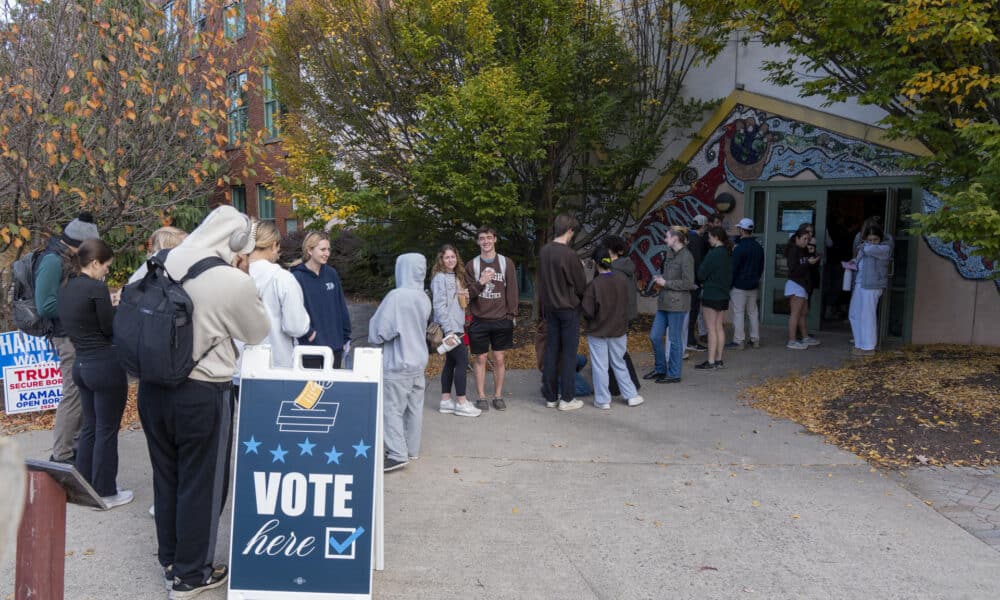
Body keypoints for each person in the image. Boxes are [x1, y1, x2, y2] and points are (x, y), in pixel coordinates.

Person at [135, 205, 268, 598]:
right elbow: (258, 332)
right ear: (240, 242)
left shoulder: (154, 265)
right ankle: (192, 575)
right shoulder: (229, 279)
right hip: (202, 391)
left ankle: (171, 560)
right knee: (202, 484)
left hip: (152, 388)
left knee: (167, 476)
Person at [56, 239, 131, 509]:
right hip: (105, 365)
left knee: (89, 426)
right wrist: (117, 306)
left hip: (81, 365)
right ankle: (106, 490)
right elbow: (109, 328)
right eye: (106, 267)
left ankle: (84, 483)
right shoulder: (96, 288)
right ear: (95, 262)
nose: (107, 272)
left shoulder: (65, 288)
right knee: (107, 429)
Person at [35, 212, 101, 464]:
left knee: (81, 393)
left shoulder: (66, 258)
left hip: (77, 335)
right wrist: (82, 304)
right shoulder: (53, 260)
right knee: (73, 394)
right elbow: (45, 305)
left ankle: (73, 448)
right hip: (66, 337)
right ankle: (62, 455)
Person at [369, 253, 432, 472]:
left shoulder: (396, 296)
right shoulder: (423, 297)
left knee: (392, 409)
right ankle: (411, 449)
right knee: (414, 409)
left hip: (398, 362)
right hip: (418, 361)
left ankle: (396, 453)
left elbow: (381, 332)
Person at [464, 226, 518, 411]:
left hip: (501, 319)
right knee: (480, 358)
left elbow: (512, 290)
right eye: (482, 238)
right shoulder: (472, 265)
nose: (486, 241)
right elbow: (467, 294)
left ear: (495, 239)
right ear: (478, 242)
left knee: (499, 358)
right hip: (479, 319)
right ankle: (481, 396)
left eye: (489, 237)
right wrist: (481, 282)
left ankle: (498, 395)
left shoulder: (505, 263)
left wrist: (511, 315)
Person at [582, 247, 643, 409]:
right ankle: (631, 395)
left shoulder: (594, 285)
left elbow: (588, 311)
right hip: (618, 330)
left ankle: (603, 400)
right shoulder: (621, 280)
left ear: (596, 263)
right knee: (619, 363)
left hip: (598, 331)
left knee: (600, 366)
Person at [538, 214, 587, 412]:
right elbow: (581, 285)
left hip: (550, 308)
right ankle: (567, 398)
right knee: (568, 354)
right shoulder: (569, 255)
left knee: (551, 351)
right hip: (568, 309)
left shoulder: (544, 251)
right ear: (569, 230)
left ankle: (550, 397)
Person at [246, 221, 311, 369]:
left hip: (240, 365)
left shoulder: (233, 274)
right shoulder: (281, 277)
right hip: (276, 364)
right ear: (274, 245)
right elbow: (296, 327)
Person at [430, 244, 481, 417]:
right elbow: (439, 306)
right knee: (462, 361)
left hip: (457, 326)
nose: (450, 260)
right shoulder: (439, 278)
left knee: (451, 363)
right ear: (441, 259)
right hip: (450, 328)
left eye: (453, 257)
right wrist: (450, 330)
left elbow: (458, 302)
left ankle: (445, 401)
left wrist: (464, 296)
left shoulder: (456, 276)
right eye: (447, 257)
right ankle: (461, 402)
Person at [292, 231, 352, 369]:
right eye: (323, 249)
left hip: (335, 345)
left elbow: (341, 306)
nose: (327, 253)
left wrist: (346, 335)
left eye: (328, 249)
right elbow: (294, 312)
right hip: (310, 346)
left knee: (332, 388)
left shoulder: (331, 273)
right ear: (309, 250)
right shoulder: (297, 277)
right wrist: (308, 333)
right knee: (312, 389)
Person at [646, 226, 696, 383]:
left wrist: (666, 282)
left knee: (674, 340)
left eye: (667, 237)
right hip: (664, 302)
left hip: (677, 304)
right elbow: (671, 277)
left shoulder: (686, 256)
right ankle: (660, 369)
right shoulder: (670, 254)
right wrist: (661, 279)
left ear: (675, 239)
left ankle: (674, 374)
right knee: (654, 336)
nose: (665, 239)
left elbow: (689, 283)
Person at [602, 235, 640, 398]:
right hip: (626, 314)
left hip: (617, 315)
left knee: (615, 352)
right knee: (618, 351)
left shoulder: (614, 271)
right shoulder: (626, 266)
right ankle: (625, 384)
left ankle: (620, 386)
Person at [849, 224, 892, 356]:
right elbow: (859, 259)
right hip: (860, 283)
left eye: (875, 239)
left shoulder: (884, 247)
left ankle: (868, 347)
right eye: (870, 239)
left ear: (881, 239)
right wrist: (852, 262)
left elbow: (869, 250)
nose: (872, 242)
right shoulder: (865, 247)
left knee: (867, 316)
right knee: (854, 314)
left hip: (873, 285)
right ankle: (859, 344)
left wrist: (863, 244)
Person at [695, 226, 732, 370]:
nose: (708, 240)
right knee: (719, 328)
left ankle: (710, 361)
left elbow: (701, 274)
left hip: (711, 294)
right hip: (723, 294)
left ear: (716, 237)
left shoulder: (713, 253)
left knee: (711, 329)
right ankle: (719, 360)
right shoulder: (728, 253)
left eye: (709, 237)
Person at [728, 218, 764, 350]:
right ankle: (755, 340)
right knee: (753, 312)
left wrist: (729, 285)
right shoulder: (759, 247)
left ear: (742, 230)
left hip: (739, 285)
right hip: (753, 285)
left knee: (739, 313)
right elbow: (761, 268)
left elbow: (734, 269)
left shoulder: (739, 248)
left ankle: (739, 341)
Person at [785, 226, 821, 350]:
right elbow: (793, 270)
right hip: (796, 284)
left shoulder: (803, 250)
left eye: (808, 239)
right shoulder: (793, 250)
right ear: (797, 238)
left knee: (803, 313)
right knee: (795, 313)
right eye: (805, 239)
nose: (807, 242)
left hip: (803, 285)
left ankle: (805, 337)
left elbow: (807, 266)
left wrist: (812, 257)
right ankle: (792, 340)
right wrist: (808, 263)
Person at [686, 214, 709, 351]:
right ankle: (690, 340)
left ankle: (688, 339)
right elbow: (698, 263)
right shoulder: (697, 240)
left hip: (685, 280)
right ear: (703, 226)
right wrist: (701, 280)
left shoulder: (687, 237)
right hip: (693, 282)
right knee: (693, 311)